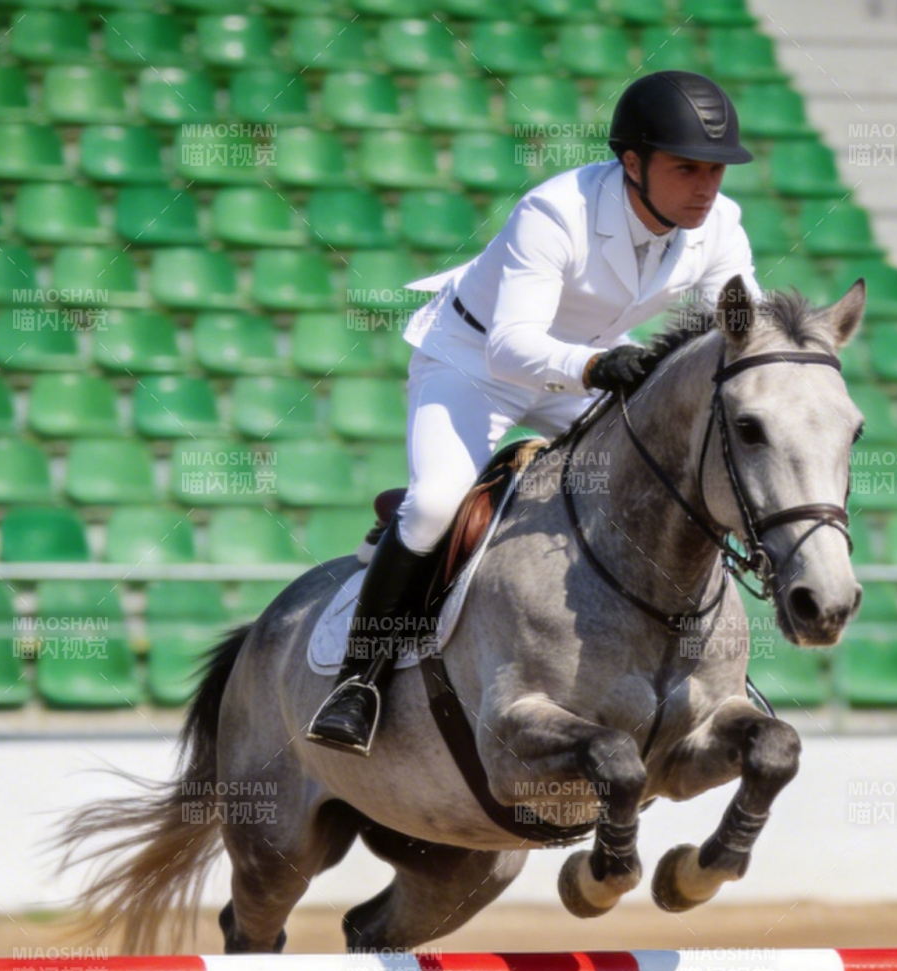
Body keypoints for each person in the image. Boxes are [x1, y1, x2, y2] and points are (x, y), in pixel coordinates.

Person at [306, 69, 761, 755]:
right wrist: (594, 366)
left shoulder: (719, 225)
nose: (705, 188)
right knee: (434, 503)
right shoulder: (556, 212)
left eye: (716, 171)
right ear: (631, 163)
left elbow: (740, 325)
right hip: (473, 360)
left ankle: (719, 674)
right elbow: (512, 346)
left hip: (591, 365)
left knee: (673, 483)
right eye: (686, 168)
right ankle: (358, 681)